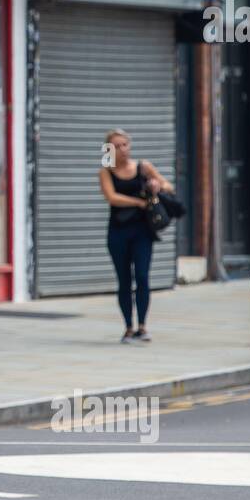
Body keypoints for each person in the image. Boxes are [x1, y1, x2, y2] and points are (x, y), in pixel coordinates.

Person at [97, 128, 172, 344]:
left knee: (142, 276)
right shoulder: (105, 171)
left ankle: (143, 326)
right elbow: (112, 197)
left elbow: (169, 186)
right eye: (116, 146)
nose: (121, 150)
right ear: (108, 149)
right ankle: (128, 327)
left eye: (124, 145)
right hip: (118, 232)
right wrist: (139, 202)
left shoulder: (143, 167)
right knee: (124, 280)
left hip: (142, 231)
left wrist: (157, 186)